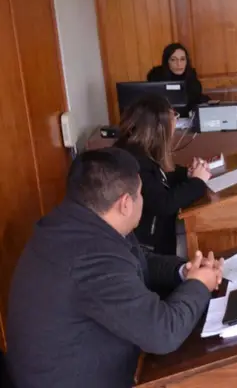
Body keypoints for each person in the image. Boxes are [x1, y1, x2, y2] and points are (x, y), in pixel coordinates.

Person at [5, 147, 223, 388]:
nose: (142, 201)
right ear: (125, 204)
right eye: (140, 194)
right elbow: (163, 333)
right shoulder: (89, 255)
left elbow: (137, 261)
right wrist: (199, 285)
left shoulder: (78, 222)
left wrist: (184, 271)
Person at [114, 95, 211, 256]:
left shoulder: (135, 149)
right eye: (174, 117)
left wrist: (186, 174)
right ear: (159, 129)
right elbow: (163, 203)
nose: (176, 123)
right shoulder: (134, 162)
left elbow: (159, 178)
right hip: (147, 251)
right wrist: (197, 182)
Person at [147, 43, 209, 107]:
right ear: (167, 61)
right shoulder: (157, 79)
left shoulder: (192, 79)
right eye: (173, 60)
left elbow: (196, 99)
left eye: (182, 59)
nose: (179, 64)